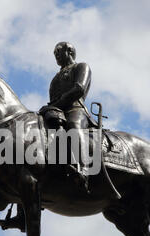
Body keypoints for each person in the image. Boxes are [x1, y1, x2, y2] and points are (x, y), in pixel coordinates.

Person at [42, 41, 93, 192]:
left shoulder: (81, 67)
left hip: (75, 109)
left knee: (74, 127)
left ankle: (83, 170)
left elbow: (79, 88)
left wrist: (57, 104)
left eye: (58, 51)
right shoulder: (54, 79)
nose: (56, 55)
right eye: (54, 54)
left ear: (69, 51)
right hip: (57, 112)